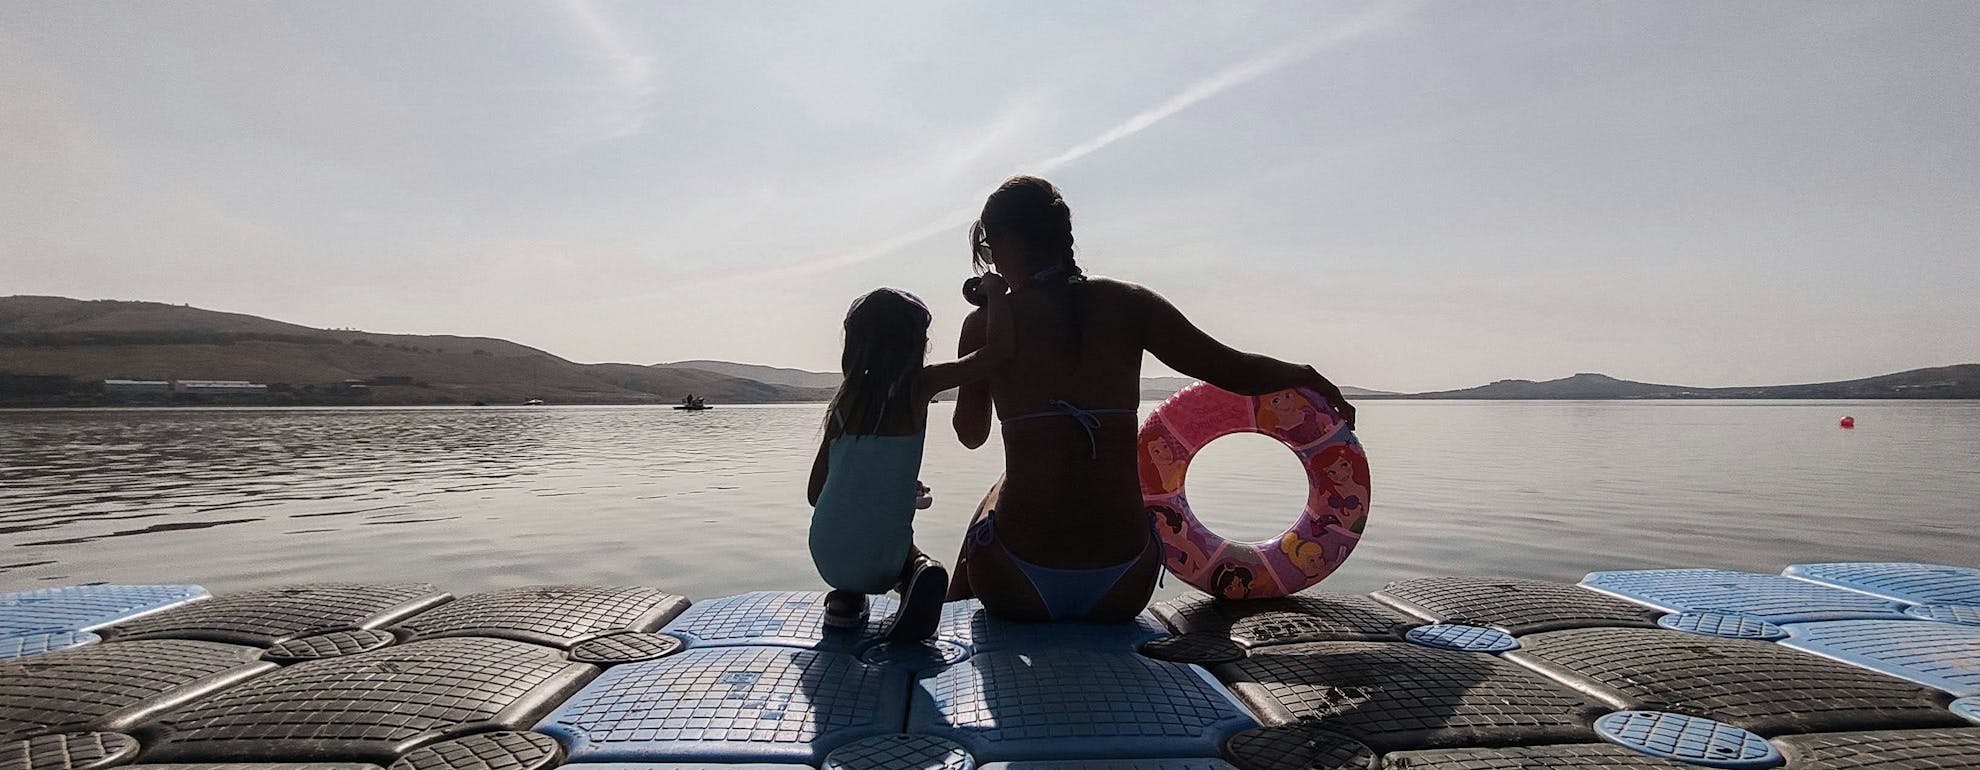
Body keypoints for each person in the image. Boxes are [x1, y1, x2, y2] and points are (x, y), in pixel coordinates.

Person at [948, 175, 1355, 621]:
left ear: (1007, 241)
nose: (992, 264)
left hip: (1015, 581)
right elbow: (1232, 369)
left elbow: (970, 434)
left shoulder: (985, 325)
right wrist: (1308, 377)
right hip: (1122, 583)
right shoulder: (1130, 304)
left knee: (995, 494)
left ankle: (942, 623)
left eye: (988, 250)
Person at [808, 277, 1012, 641]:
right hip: (884, 557)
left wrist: (891, 485)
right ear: (916, 344)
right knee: (902, 552)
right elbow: (995, 354)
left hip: (827, 554)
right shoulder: (919, 385)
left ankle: (844, 601)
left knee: (854, 547)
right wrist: (995, 296)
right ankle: (917, 572)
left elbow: (815, 493)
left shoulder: (842, 404)